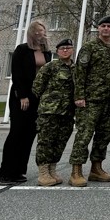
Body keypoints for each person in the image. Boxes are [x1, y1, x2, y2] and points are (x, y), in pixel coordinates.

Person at [69, 15, 110, 187]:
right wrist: (79, 96)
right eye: (103, 26)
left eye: (109, 26)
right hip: (91, 100)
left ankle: (96, 168)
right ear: (98, 29)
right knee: (84, 135)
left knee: (104, 136)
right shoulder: (89, 48)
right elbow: (79, 73)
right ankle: (76, 170)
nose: (106, 29)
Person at [0, 20, 52, 185]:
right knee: (17, 133)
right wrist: (22, 95)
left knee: (30, 135)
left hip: (38, 97)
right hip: (22, 97)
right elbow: (17, 74)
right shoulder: (22, 50)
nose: (39, 34)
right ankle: (5, 172)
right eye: (36, 31)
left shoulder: (47, 52)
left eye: (41, 31)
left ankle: (19, 170)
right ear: (30, 33)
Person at [33, 38, 77, 187]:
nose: (65, 50)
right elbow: (37, 88)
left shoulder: (76, 69)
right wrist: (48, 102)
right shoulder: (50, 67)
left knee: (60, 142)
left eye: (68, 48)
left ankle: (52, 168)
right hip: (50, 111)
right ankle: (43, 172)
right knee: (46, 141)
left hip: (68, 112)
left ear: (72, 50)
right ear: (57, 51)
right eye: (62, 48)